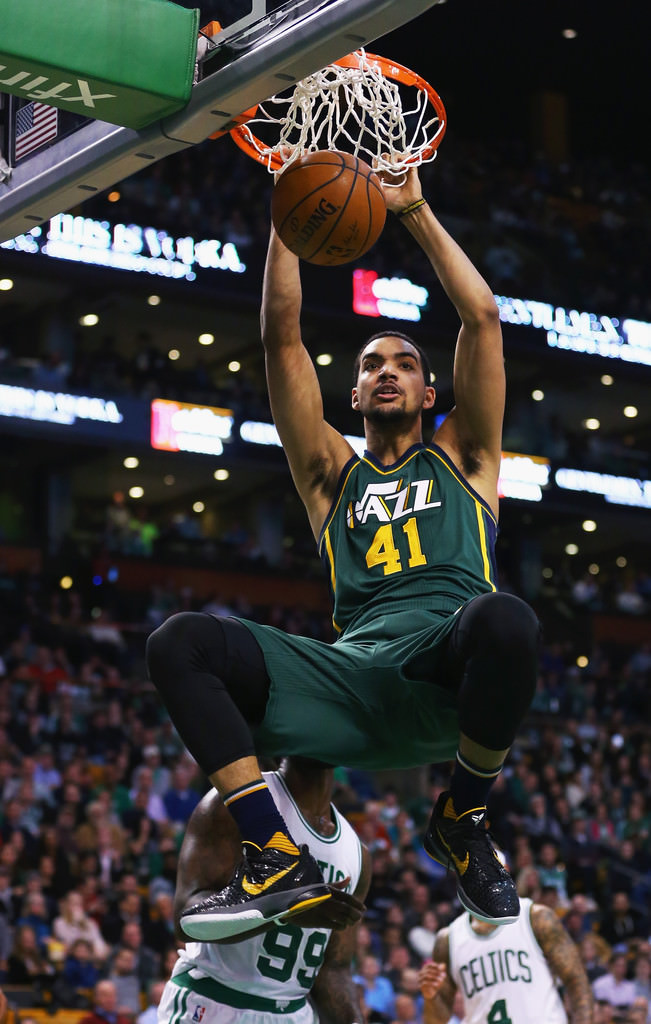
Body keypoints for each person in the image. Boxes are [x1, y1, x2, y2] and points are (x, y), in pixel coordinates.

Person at [146, 164, 540, 938]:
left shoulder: (466, 457)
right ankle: (269, 851)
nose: (385, 372)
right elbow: (279, 335)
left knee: (505, 620)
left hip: (441, 673)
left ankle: (461, 817)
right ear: (352, 396)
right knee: (180, 642)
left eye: (403, 365)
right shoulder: (330, 474)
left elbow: (484, 321)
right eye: (369, 366)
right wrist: (287, 212)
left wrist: (414, 208)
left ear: (432, 396)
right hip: (349, 677)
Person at [157, 755, 370, 1024]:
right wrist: (287, 911)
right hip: (213, 1001)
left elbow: (333, 969)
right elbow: (185, 920)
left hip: (292, 1013)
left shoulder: (357, 852)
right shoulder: (234, 803)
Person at [418, 897, 594, 1023]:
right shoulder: (449, 939)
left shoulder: (534, 916)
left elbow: (576, 980)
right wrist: (430, 997)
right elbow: (437, 1020)